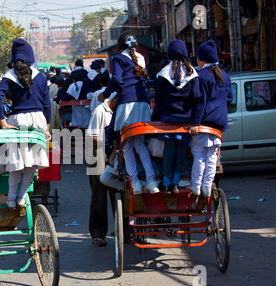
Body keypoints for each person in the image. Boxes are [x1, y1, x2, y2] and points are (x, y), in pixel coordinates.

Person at [98, 33, 159, 195]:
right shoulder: (140, 57)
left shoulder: (118, 59)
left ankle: (136, 183)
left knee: (127, 146)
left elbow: (117, 80)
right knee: (140, 144)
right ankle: (151, 181)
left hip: (127, 105)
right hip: (142, 103)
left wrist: (105, 94)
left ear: (119, 47)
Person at [0, 38, 51, 209]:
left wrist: (3, 123)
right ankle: (22, 196)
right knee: (32, 163)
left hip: (17, 121)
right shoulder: (40, 76)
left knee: (16, 163)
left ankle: (11, 198)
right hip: (38, 121)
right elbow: (47, 105)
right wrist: (47, 128)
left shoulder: (8, 76)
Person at [151, 39, 201, 194]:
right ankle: (175, 183)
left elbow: (157, 100)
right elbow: (197, 98)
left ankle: (165, 183)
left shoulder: (163, 74)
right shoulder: (192, 73)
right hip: (186, 121)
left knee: (169, 151)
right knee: (181, 151)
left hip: (168, 120)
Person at [188, 40, 233, 197]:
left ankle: (196, 186)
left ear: (202, 60)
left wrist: (195, 123)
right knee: (212, 157)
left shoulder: (201, 77)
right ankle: (207, 187)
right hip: (219, 125)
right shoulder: (225, 76)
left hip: (204, 124)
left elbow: (200, 102)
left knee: (199, 155)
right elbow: (229, 99)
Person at [86, 96, 117, 246]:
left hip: (113, 152)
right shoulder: (100, 111)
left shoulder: (120, 110)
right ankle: (97, 233)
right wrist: (108, 141)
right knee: (99, 193)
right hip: (97, 152)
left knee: (119, 190)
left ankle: (124, 231)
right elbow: (91, 135)